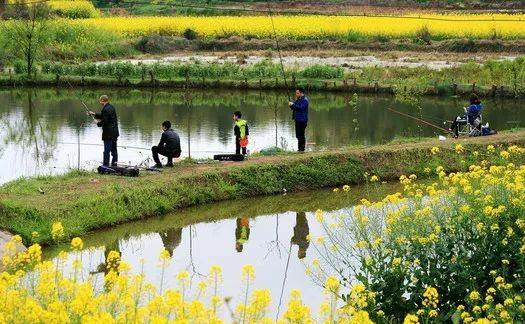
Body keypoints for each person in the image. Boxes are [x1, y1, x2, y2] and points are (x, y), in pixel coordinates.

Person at [88, 95, 119, 167]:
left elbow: (104, 121)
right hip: (115, 132)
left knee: (106, 151)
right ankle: (115, 165)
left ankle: (105, 166)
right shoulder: (111, 107)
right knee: (114, 150)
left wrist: (97, 123)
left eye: (100, 101)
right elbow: (103, 116)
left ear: (102, 100)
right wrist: (93, 114)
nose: (100, 102)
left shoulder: (105, 109)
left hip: (108, 134)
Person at [288, 88, 309, 152]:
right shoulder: (298, 100)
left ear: (301, 93)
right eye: (296, 93)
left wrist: (293, 104)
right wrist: (291, 106)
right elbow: (295, 108)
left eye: (297, 93)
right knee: (298, 135)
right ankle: (299, 149)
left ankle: (302, 149)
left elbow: (301, 108)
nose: (296, 94)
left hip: (302, 120)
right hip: (297, 120)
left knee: (301, 135)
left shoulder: (305, 100)